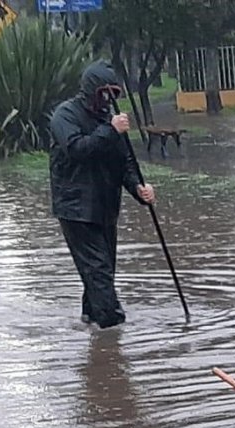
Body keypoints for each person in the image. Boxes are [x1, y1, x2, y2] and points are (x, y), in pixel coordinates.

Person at [49, 60, 155, 329]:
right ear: (91, 91)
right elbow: (77, 149)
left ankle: (92, 320)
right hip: (76, 210)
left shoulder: (110, 121)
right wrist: (110, 130)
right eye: (104, 93)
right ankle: (112, 329)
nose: (108, 99)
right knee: (99, 272)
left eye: (113, 94)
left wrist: (138, 189)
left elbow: (124, 162)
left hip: (105, 208)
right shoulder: (66, 116)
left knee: (101, 271)